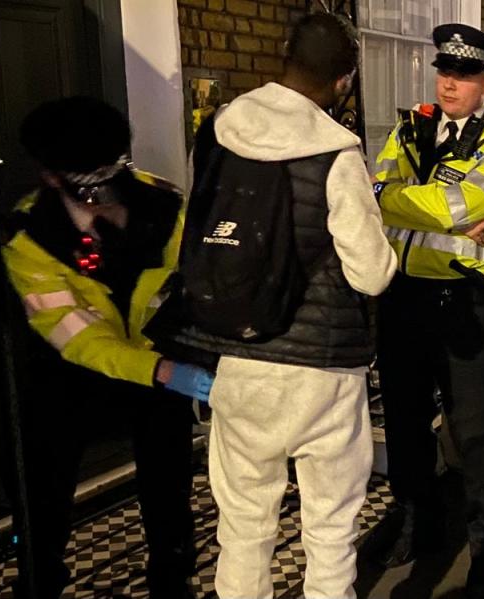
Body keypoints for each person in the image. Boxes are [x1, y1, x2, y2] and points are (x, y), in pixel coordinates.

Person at [169, 13, 397, 599]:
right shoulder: (337, 154)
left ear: (282, 53)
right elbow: (371, 275)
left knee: (243, 524)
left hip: (237, 358)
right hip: (321, 367)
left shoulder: (217, 135)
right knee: (329, 524)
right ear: (345, 79)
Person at [3, 97, 209, 598]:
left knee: (168, 480)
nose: (102, 200)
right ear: (51, 177)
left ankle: (172, 572)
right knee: (45, 488)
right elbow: (78, 336)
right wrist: (159, 370)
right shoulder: (28, 235)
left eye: (109, 181)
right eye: (86, 187)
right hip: (69, 375)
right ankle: (41, 575)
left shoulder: (166, 205)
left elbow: (192, 282)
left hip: (159, 357)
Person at [372, 22, 484, 598]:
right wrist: (426, 207)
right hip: (403, 298)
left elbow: (449, 202)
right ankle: (418, 521)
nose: (450, 82)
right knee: (407, 423)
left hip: (465, 302)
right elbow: (381, 196)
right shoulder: (409, 128)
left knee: (474, 432)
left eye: (464, 73)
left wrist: (409, 202)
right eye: (444, 70)